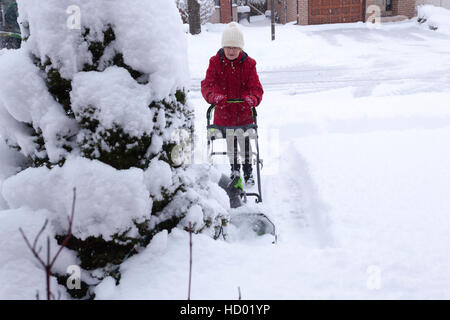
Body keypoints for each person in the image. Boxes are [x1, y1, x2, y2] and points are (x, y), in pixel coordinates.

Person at [201, 22, 263, 186]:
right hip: (224, 114)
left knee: (244, 140)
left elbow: (256, 88)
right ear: (223, 47)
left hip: (243, 114)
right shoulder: (215, 62)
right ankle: (235, 170)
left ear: (241, 48)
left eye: (235, 48)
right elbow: (207, 85)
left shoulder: (249, 64)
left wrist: (253, 98)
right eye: (228, 47)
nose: (231, 51)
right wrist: (214, 97)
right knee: (231, 141)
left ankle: (248, 171)